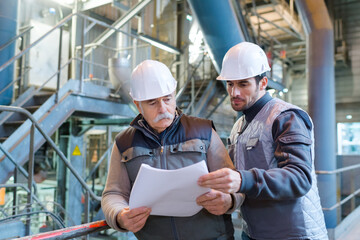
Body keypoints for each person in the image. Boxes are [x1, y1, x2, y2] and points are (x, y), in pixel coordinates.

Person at [197, 42, 328, 240]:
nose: (234, 93)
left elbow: (299, 178)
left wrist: (243, 179)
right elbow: (241, 183)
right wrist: (230, 199)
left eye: (243, 84)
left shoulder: (285, 117)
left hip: (294, 234)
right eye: (230, 84)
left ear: (263, 83)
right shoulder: (238, 127)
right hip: (253, 233)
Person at [101, 59, 244, 240]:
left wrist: (229, 200)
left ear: (174, 94)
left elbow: (234, 181)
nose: (163, 108)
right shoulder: (124, 142)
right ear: (138, 104)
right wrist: (119, 216)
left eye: (167, 99)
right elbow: (114, 193)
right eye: (152, 103)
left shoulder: (204, 131)